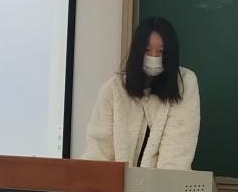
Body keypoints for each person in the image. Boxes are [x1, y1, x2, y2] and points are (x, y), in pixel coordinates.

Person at [82, 16, 200, 169]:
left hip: (165, 182)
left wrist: (158, 184)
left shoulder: (184, 83)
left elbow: (177, 153)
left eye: (161, 51)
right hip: (119, 183)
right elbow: (98, 151)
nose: (154, 57)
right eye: (147, 50)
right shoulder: (113, 88)